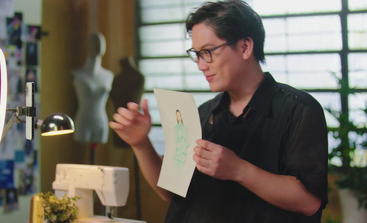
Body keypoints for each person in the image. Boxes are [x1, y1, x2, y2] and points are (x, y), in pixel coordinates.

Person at [109, 1, 328, 222]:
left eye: (208, 52)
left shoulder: (298, 109)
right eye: (197, 54)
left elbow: (309, 202)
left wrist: (239, 170)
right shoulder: (203, 114)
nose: (201, 65)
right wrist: (141, 144)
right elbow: (172, 192)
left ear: (244, 47)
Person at [72, 33, 114, 144]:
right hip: (83, 120)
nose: (100, 45)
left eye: (101, 42)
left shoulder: (108, 75)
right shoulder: (77, 74)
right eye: (95, 42)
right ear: (88, 45)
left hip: (101, 121)